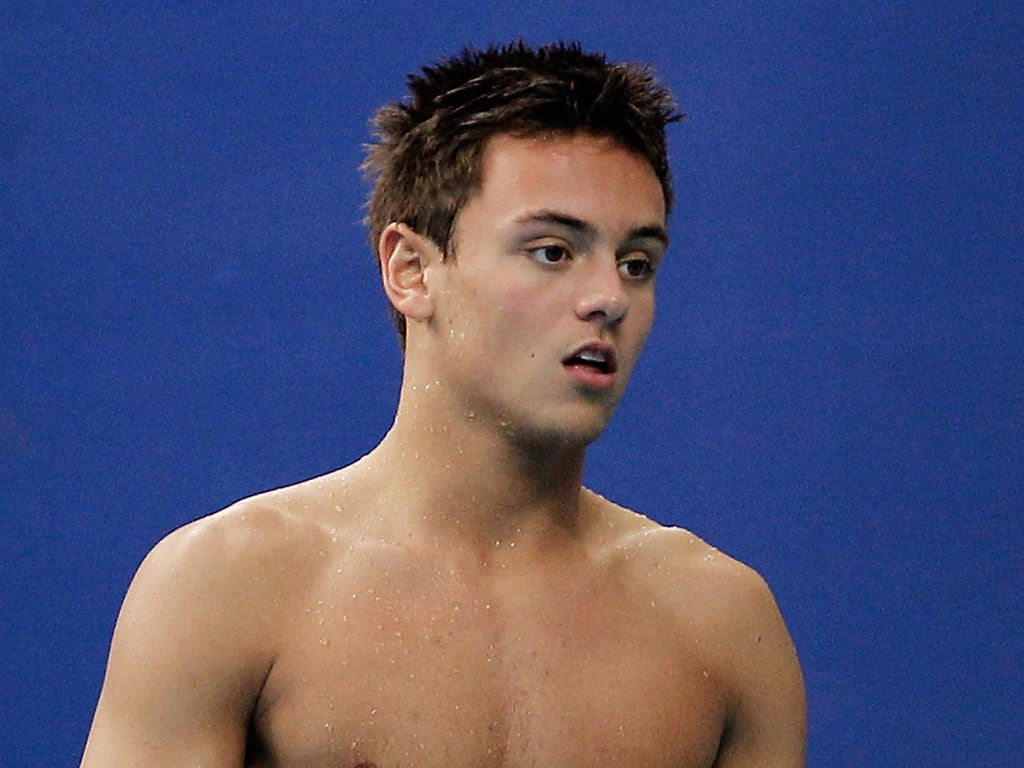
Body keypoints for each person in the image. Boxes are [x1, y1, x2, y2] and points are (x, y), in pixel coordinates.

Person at [80, 41, 806, 768]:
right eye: (553, 251)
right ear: (412, 270)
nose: (609, 298)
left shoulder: (723, 630)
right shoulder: (224, 593)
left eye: (637, 262)